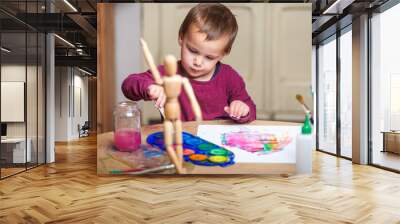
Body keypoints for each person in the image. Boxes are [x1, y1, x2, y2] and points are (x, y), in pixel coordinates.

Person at [122, 3, 256, 123]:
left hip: (219, 147)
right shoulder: (168, 73)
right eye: (192, 50)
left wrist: (242, 109)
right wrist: (149, 87)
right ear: (181, 38)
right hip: (181, 143)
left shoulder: (229, 77)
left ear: (223, 54)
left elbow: (251, 111)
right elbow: (128, 85)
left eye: (209, 57)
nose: (198, 62)